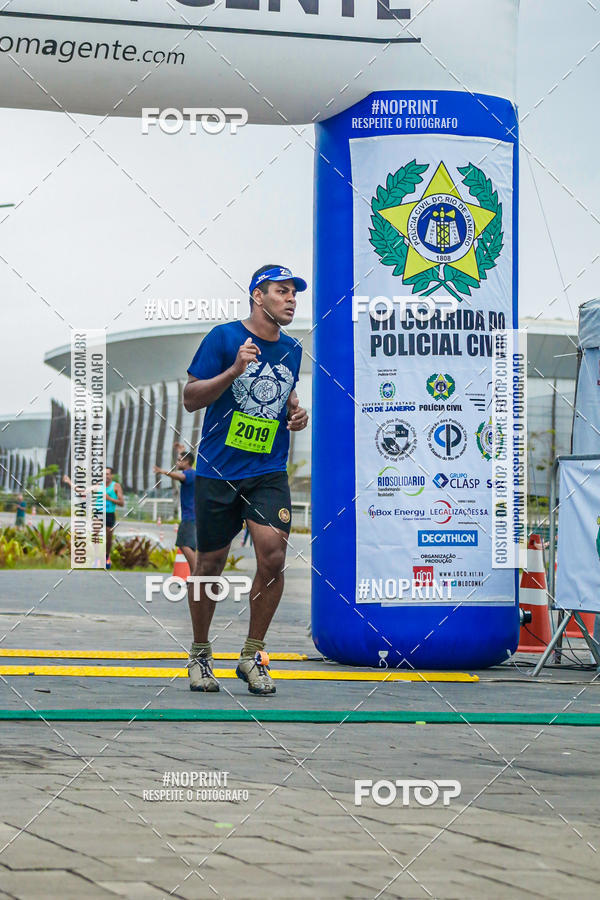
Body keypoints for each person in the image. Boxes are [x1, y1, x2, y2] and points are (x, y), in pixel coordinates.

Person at [183, 264, 309, 695]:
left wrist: (296, 414)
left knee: (273, 556)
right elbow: (189, 399)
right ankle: (200, 654)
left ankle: (252, 655)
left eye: (294, 293)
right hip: (218, 472)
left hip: (267, 472)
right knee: (209, 566)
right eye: (282, 291)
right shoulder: (223, 338)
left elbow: (284, 398)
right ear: (258, 296)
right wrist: (234, 371)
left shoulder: (292, 350)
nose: (291, 299)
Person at [63, 466, 124, 568]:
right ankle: (96, 559)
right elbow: (82, 491)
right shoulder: (98, 486)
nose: (106, 476)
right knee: (95, 533)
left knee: (109, 535)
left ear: (111, 475)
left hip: (109, 514)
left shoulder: (116, 486)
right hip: (98, 513)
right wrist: (69, 482)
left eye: (108, 474)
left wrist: (109, 499)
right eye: (104, 474)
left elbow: (121, 503)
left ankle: (106, 556)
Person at [153, 445, 197, 571]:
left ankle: (196, 573)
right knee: (190, 546)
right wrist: (181, 452)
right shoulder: (194, 473)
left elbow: (180, 477)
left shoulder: (189, 474)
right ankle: (196, 573)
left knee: (183, 544)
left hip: (190, 517)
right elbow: (183, 467)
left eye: (179, 460)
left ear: (186, 462)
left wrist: (162, 471)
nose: (176, 463)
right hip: (194, 516)